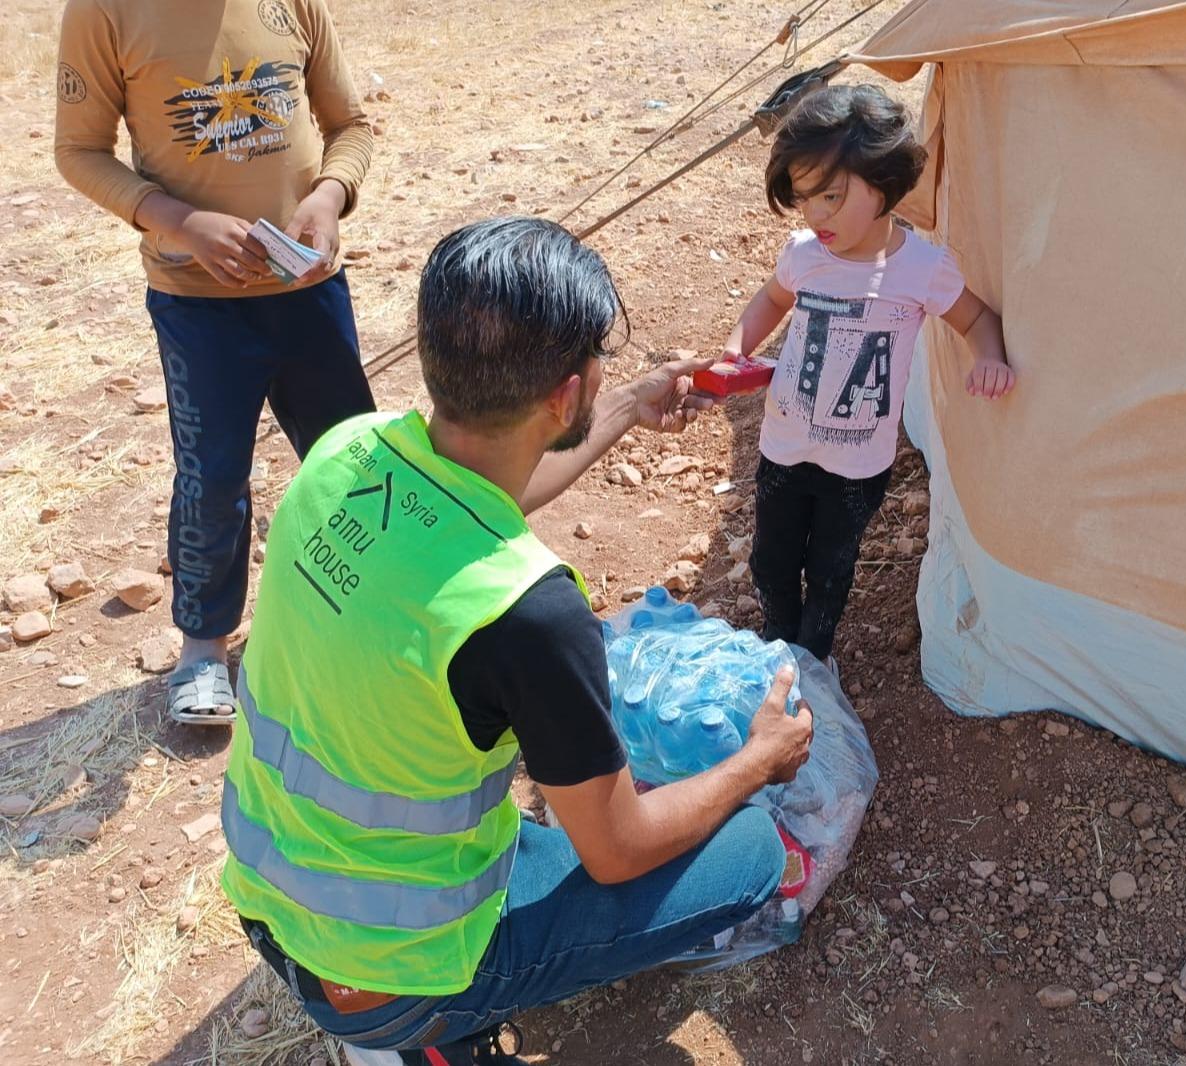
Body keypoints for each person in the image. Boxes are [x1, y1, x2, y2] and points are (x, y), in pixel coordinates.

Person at [219, 217, 816, 1065]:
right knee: (750, 850)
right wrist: (759, 758)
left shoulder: (345, 453)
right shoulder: (530, 614)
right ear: (561, 395)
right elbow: (621, 851)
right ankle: (427, 1036)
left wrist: (620, 409)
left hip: (269, 895)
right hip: (395, 974)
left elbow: (470, 502)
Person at [54, 0, 377, 724]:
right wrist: (178, 221)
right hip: (197, 304)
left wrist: (329, 197)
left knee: (353, 461)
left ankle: (373, 615)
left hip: (309, 291)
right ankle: (204, 651)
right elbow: (78, 151)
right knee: (212, 476)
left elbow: (350, 126)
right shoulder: (105, 11)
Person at [720, 84, 1017, 668]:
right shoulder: (804, 254)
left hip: (858, 467)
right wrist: (737, 347)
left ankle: (812, 659)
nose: (816, 214)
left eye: (830, 195)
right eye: (805, 199)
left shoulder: (922, 268)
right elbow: (770, 302)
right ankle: (780, 640)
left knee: (831, 568)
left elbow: (978, 316)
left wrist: (989, 355)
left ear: (885, 182)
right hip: (784, 445)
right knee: (771, 560)